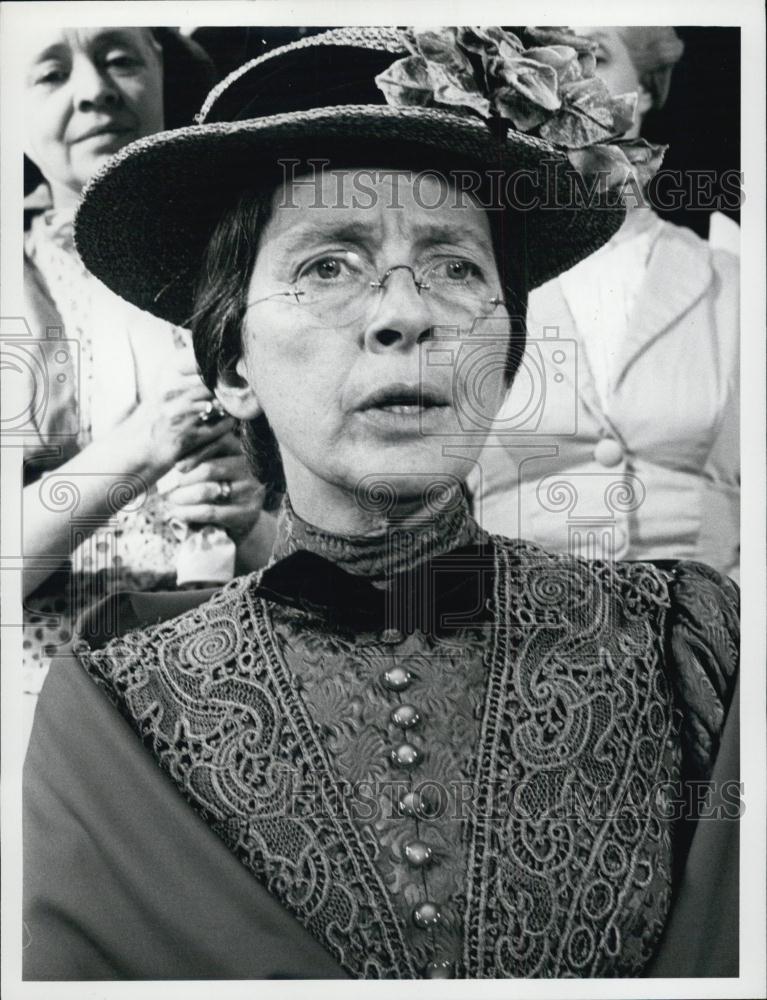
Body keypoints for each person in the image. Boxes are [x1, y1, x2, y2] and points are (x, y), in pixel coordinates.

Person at [23, 27, 739, 980]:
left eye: (454, 266)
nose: (404, 313)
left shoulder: (687, 647)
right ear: (232, 363)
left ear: (508, 350)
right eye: (327, 266)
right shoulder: (122, 705)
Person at [20, 26, 275, 740]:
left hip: (247, 695)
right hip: (68, 718)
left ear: (162, 73)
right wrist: (139, 449)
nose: (95, 91)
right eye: (49, 73)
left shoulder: (247, 269)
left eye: (120, 59)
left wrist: (254, 526)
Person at [470, 27, 740, 579]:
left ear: (640, 91)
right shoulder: (473, 284)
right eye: (543, 55)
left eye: (593, 53)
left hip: (710, 642)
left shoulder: (734, 282)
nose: (566, 73)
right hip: (516, 636)